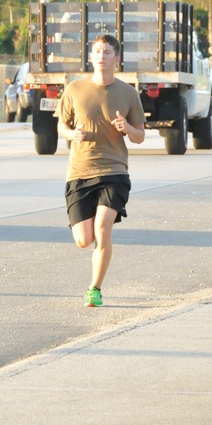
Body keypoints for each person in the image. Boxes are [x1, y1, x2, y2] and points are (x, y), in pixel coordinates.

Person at [56, 34, 145, 308]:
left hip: (114, 171)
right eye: (97, 51)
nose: (102, 56)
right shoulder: (74, 89)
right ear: (91, 57)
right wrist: (72, 134)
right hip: (80, 172)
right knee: (84, 240)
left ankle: (95, 289)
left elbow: (140, 135)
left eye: (107, 52)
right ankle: (94, 275)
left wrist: (127, 129)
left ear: (116, 59)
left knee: (103, 230)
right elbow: (61, 126)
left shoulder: (128, 93)